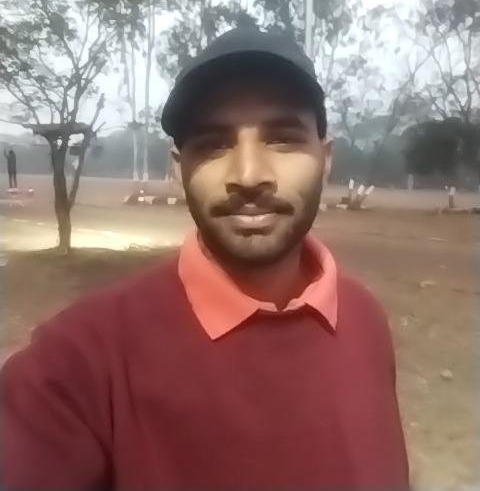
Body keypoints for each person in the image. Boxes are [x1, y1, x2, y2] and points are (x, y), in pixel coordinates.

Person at [1, 28, 410, 490]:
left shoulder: (363, 318)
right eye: (214, 144)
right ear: (179, 169)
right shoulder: (76, 364)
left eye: (282, 138)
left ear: (326, 157)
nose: (249, 176)